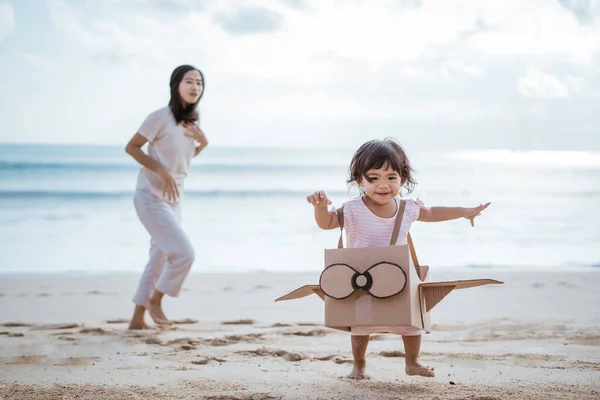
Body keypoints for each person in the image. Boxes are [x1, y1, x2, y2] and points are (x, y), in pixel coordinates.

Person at [306, 137, 490, 379]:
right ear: (359, 180)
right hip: (362, 278)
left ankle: (412, 362)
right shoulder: (352, 209)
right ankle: (359, 365)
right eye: (373, 178)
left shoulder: (407, 208)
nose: (383, 185)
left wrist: (464, 212)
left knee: (411, 323)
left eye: (391, 177)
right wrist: (320, 208)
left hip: (398, 276)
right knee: (360, 325)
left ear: (403, 179)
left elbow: (433, 212)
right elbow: (327, 223)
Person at [124, 65, 208, 330]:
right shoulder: (160, 116)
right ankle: (155, 301)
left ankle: (137, 319)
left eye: (199, 83)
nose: (195, 87)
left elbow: (182, 161)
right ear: (176, 85)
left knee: (159, 258)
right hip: (150, 196)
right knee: (184, 254)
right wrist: (160, 170)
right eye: (189, 81)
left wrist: (203, 144)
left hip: (174, 199)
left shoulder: (192, 121)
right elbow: (132, 147)